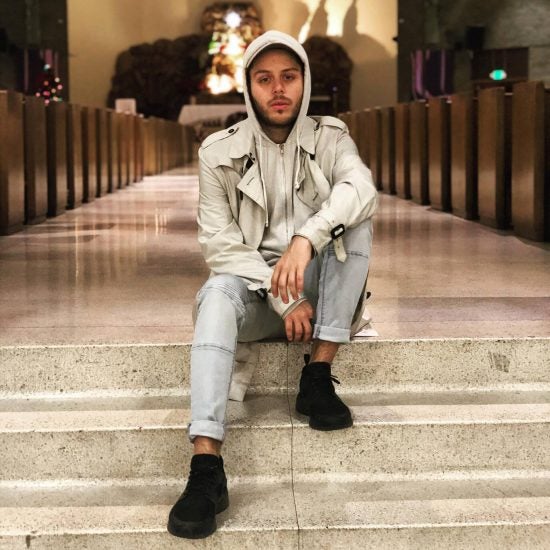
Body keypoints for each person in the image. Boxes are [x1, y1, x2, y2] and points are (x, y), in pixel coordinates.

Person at [167, 30, 377, 539]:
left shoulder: (332, 137)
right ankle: (206, 468)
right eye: (265, 79)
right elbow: (219, 246)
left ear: (304, 81)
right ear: (249, 86)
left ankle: (318, 375)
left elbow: (360, 187)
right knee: (216, 293)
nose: (278, 89)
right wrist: (283, 296)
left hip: (325, 291)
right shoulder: (218, 151)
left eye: (288, 76)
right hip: (260, 293)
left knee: (358, 214)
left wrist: (306, 239)